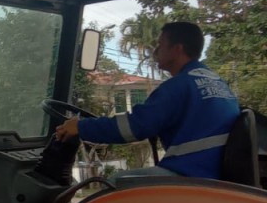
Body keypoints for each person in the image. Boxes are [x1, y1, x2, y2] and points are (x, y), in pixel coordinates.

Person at [54, 21, 240, 179]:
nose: (155, 51)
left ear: (177, 49)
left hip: (192, 173)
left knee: (113, 183)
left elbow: (133, 127)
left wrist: (80, 127)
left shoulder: (178, 87)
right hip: (214, 173)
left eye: (160, 45)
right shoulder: (217, 83)